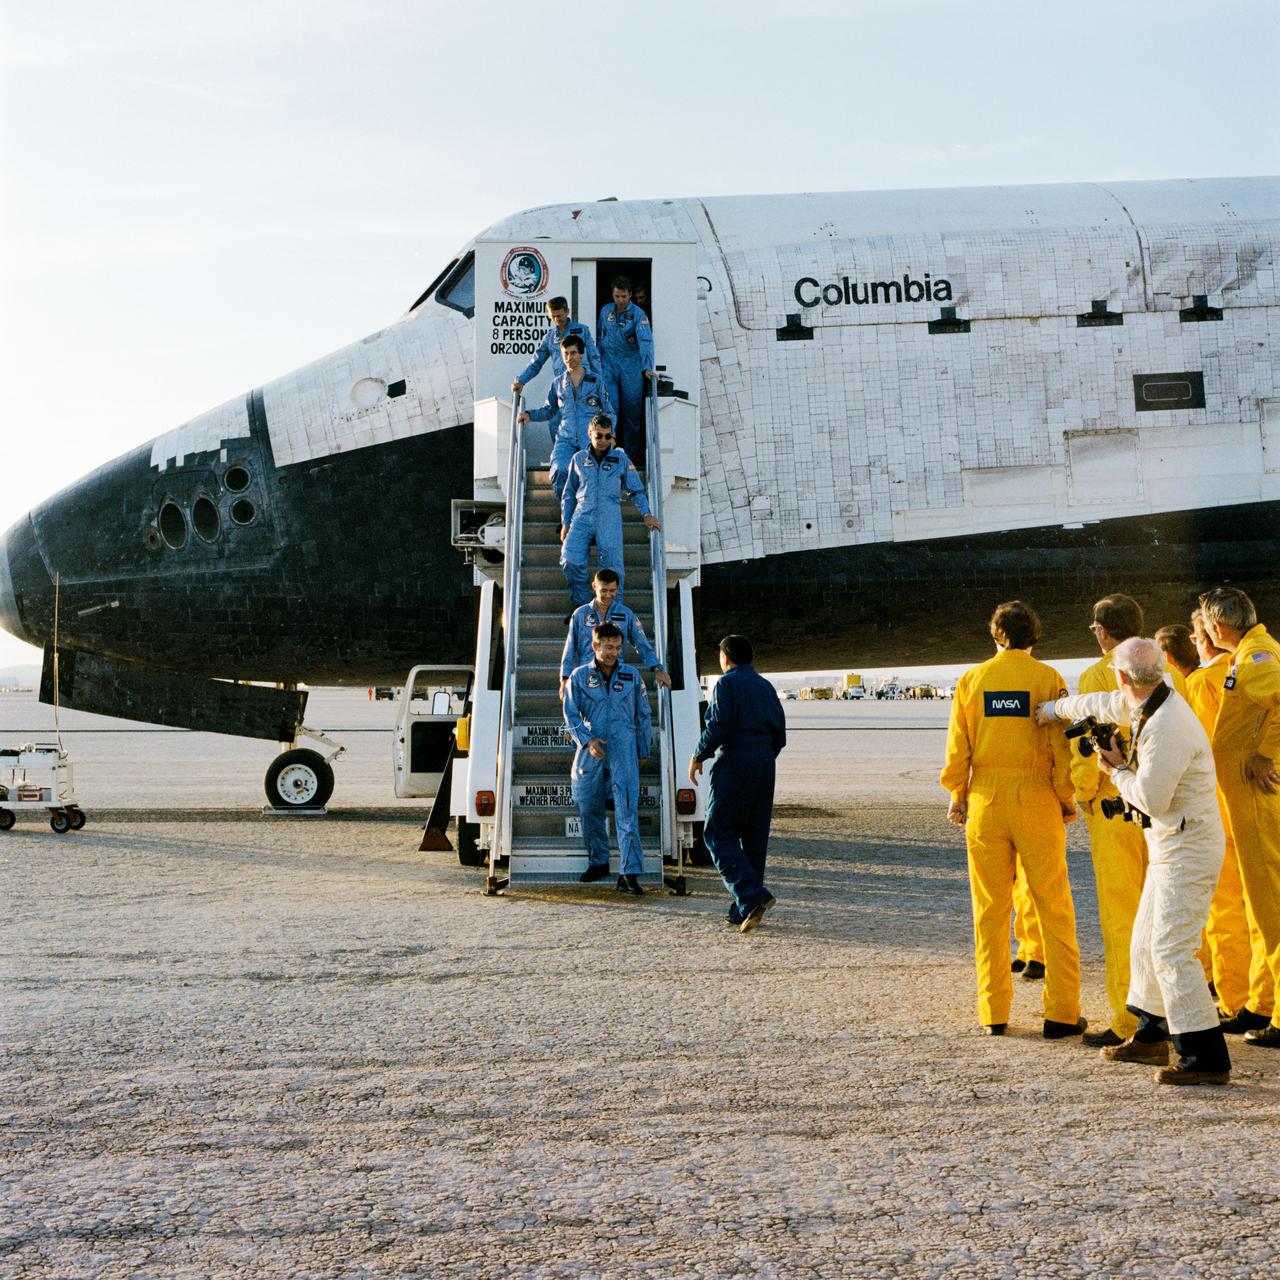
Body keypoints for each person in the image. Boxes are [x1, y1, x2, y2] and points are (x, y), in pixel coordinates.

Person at [1038, 637, 1231, 1085]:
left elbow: (1151, 799)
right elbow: (1105, 704)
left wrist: (1115, 770)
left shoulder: (1167, 725)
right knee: (1145, 940)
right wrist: (1053, 711)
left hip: (1187, 846)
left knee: (1171, 949)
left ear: (1122, 675)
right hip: (1172, 844)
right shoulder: (1152, 702)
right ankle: (1150, 1033)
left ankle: (1205, 1054)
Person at [940, 601, 1084, 1039]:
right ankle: (1061, 1013)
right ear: (1034, 636)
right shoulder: (1048, 679)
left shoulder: (973, 679)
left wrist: (958, 794)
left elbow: (957, 748)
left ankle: (993, 1012)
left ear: (996, 635)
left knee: (989, 909)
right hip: (1037, 797)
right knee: (1053, 906)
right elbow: (1062, 746)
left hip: (986, 799)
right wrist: (1066, 798)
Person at [1198, 587, 1280, 1049]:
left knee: (1272, 905)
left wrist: (1266, 754)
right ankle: (1262, 1000)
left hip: (1253, 797)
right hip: (1240, 798)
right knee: (1257, 904)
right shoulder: (1249, 655)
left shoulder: (1256, 659)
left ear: (1218, 627)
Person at [1071, 593, 1151, 1048]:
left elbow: (1085, 749)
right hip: (1158, 807)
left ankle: (1127, 1020)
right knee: (1167, 914)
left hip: (1114, 808)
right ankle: (1176, 1014)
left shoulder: (1097, 675)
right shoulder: (1167, 668)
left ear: (1102, 631)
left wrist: (1083, 795)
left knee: (1123, 916)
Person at [1186, 608, 1263, 1027]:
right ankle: (1266, 996)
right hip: (1257, 799)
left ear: (1205, 639)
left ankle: (1236, 999)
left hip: (1216, 804)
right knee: (1262, 908)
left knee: (1226, 910)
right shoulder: (1250, 670)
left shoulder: (1201, 684)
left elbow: (1197, 751)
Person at [689, 634, 787, 932]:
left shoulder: (726, 684)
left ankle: (751, 895)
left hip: (734, 760)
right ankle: (742, 909)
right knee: (754, 838)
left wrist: (699, 755)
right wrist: (762, 757)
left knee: (718, 834)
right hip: (765, 762)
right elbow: (780, 735)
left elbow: (718, 724)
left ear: (725, 658)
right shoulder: (766, 687)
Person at [563, 621, 652, 895]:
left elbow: (643, 714)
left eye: (617, 647)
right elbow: (570, 713)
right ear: (595, 645)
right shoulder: (578, 677)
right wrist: (586, 740)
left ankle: (629, 873)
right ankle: (598, 861)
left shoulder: (632, 676)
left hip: (624, 749)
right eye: (608, 647)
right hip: (592, 749)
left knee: (627, 810)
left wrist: (642, 749)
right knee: (589, 808)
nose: (613, 652)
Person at [560, 415, 660, 607]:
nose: (603, 441)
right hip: (582, 516)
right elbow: (569, 493)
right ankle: (583, 607)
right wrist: (565, 522)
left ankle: (613, 612)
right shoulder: (579, 459)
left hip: (609, 517)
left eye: (607, 436)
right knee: (570, 560)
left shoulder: (620, 459)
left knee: (613, 569)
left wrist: (646, 513)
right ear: (590, 434)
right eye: (599, 436)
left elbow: (635, 489)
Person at [518, 334, 612, 503]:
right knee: (560, 470)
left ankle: (585, 515)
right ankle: (566, 516)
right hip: (566, 438)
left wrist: (608, 437)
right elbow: (549, 410)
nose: (570, 358)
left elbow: (608, 412)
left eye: (573, 353)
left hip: (589, 438)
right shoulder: (558, 383)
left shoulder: (596, 381)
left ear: (581, 354)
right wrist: (529, 414)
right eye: (565, 354)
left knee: (590, 474)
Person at [560, 568, 671, 698]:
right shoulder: (580, 614)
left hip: (616, 677)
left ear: (618, 588)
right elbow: (570, 648)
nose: (608, 595)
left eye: (612, 591)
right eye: (604, 590)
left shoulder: (626, 614)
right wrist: (565, 678)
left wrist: (657, 669)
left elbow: (642, 645)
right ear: (594, 586)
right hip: (587, 677)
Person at [510, 296, 601, 422]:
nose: (557, 320)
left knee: (586, 424)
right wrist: (521, 381)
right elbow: (536, 363)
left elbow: (594, 358)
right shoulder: (549, 337)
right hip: (563, 386)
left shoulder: (582, 330)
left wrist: (599, 382)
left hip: (584, 385)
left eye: (559, 316)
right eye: (553, 316)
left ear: (567, 311)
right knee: (556, 423)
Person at [597, 275, 655, 464]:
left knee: (632, 410)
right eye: (616, 296)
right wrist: (596, 365)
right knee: (609, 408)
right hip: (608, 363)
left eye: (623, 296)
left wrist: (647, 367)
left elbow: (645, 340)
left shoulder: (639, 315)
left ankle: (631, 456)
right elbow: (599, 337)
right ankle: (607, 451)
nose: (620, 300)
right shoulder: (606, 311)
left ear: (630, 295)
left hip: (631, 364)